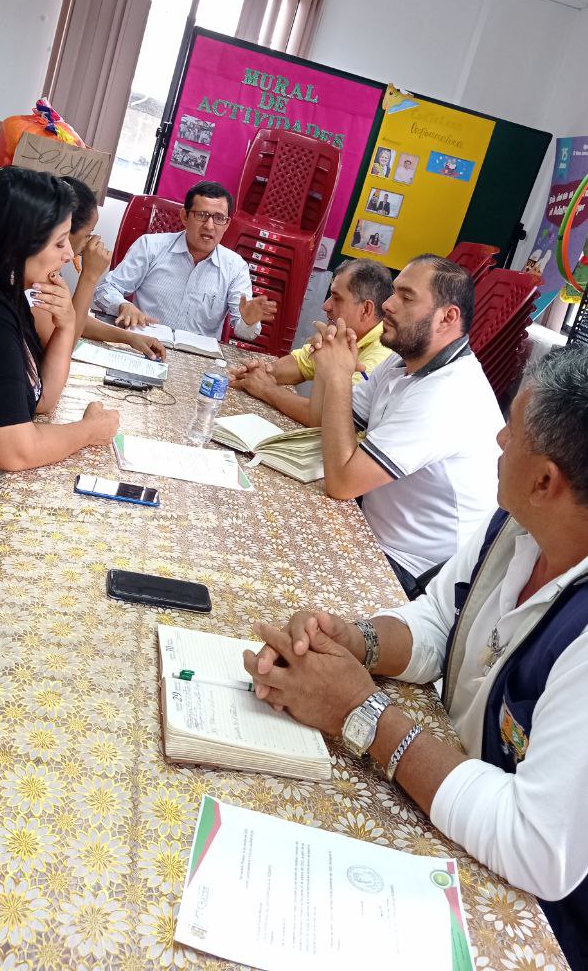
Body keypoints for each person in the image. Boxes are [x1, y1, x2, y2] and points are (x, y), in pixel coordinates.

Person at [244, 346, 588, 971]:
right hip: (455, 806)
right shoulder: (518, 527)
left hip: (533, 922)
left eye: (512, 432)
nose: (498, 438)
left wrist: (359, 711)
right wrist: (352, 640)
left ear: (546, 482)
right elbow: (439, 619)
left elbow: (538, 846)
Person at [306, 254, 503, 594]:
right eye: (394, 291)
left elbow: (342, 483)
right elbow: (329, 420)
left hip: (411, 571)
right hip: (367, 526)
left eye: (406, 297)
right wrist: (329, 365)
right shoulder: (402, 362)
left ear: (447, 318)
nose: (388, 304)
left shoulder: (449, 394)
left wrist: (338, 377)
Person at [0, 168, 119, 471]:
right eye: (60, 243)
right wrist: (90, 430)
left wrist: (66, 326)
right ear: (19, 244)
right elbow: (17, 452)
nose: (68, 255)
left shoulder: (14, 292)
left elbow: (42, 400)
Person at [94, 181, 277, 340]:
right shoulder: (150, 246)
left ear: (227, 224)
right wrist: (123, 305)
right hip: (144, 343)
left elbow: (245, 333)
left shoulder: (235, 267)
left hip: (196, 357)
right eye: (201, 215)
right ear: (184, 216)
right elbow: (106, 289)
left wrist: (248, 321)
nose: (209, 226)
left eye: (219, 218)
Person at [229, 260, 393, 426]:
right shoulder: (343, 336)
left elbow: (331, 417)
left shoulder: (382, 356)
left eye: (337, 298)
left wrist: (267, 389)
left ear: (365, 310)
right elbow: (301, 363)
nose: (326, 306)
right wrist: (262, 371)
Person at [32, 177, 167, 361]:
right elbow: (63, 348)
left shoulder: (49, 269)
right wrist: (89, 276)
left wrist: (129, 338)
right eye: (88, 234)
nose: (89, 241)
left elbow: (71, 317)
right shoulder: (37, 277)